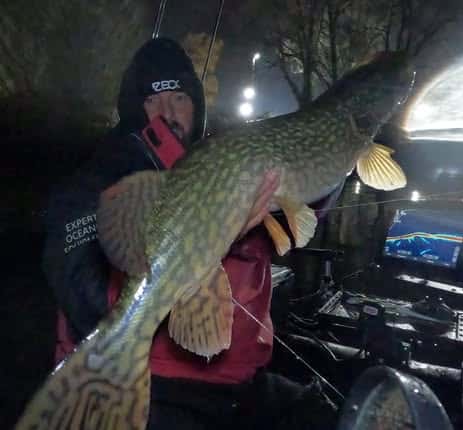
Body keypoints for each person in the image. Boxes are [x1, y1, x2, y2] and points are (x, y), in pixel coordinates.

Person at [43, 37, 338, 429]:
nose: (167, 111)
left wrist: (336, 159)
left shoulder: (225, 168)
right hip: (159, 384)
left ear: (196, 106)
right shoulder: (95, 183)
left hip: (243, 383)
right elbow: (85, 294)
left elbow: (298, 210)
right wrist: (206, 238)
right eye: (152, 101)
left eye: (179, 97)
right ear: (134, 110)